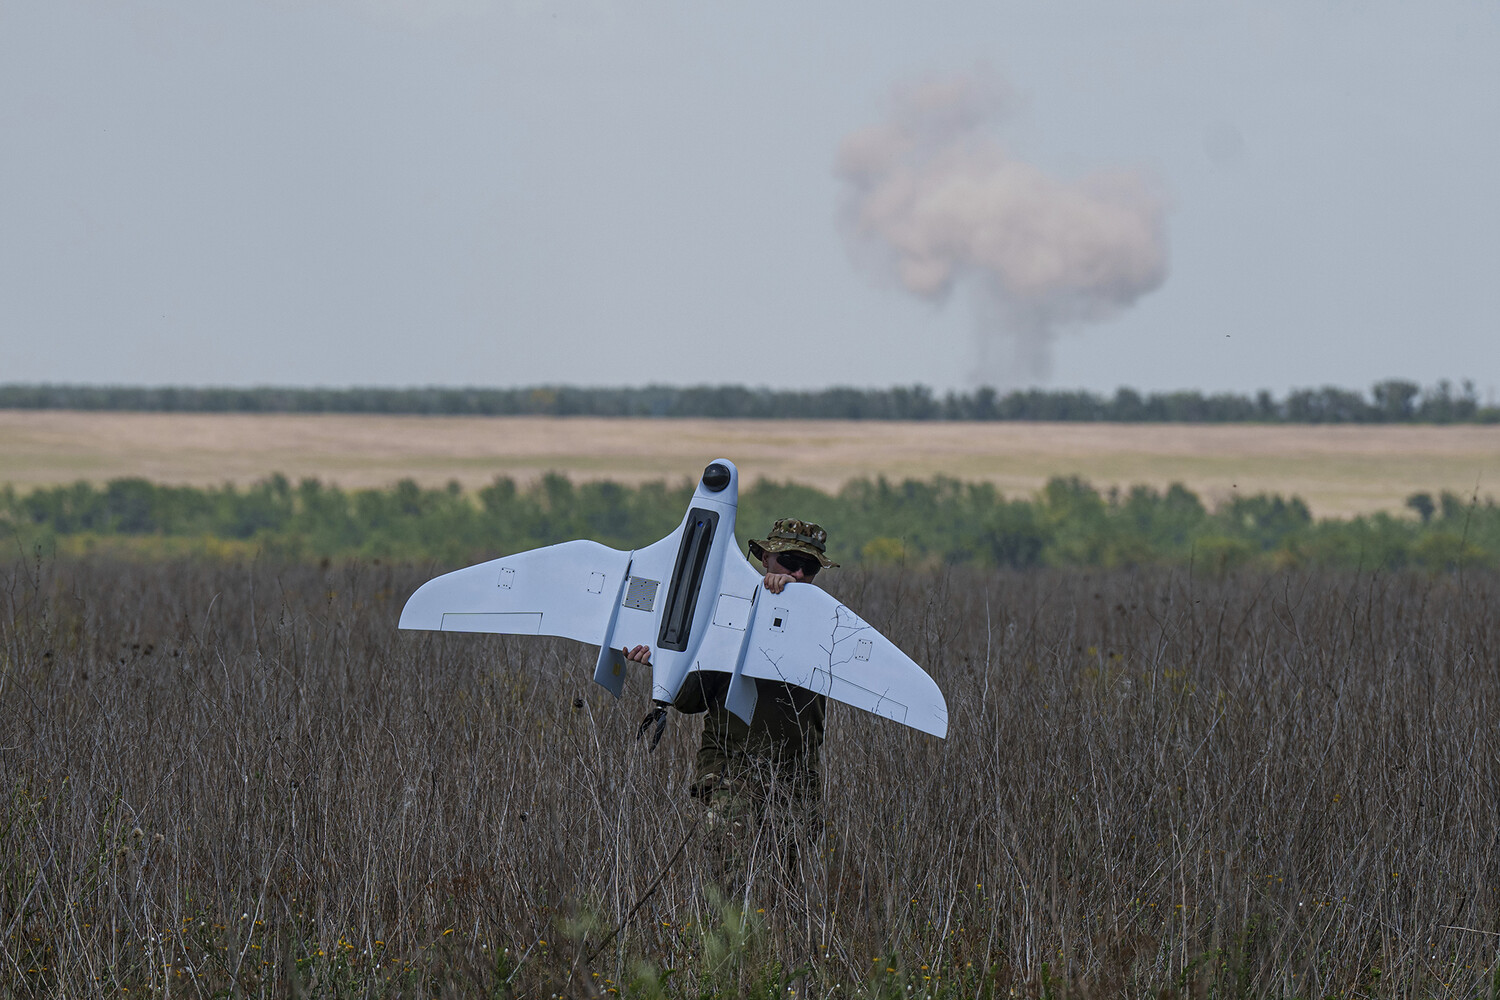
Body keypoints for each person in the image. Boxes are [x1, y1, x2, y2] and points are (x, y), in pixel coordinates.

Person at [622, 517, 837, 862]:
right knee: (728, 869)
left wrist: (786, 608)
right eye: (789, 562)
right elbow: (691, 699)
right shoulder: (730, 610)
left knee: (785, 879)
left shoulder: (826, 621)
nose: (797, 574)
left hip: (795, 777)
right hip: (730, 769)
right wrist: (662, 666)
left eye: (808, 567)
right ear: (765, 558)